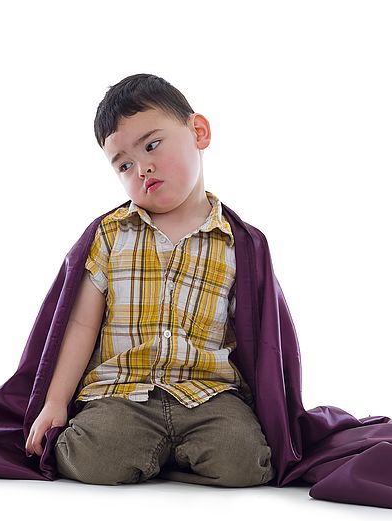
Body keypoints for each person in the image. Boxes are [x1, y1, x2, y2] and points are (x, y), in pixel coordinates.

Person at [23, 73, 275, 488]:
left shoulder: (237, 242)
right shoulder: (112, 233)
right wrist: (55, 401)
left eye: (152, 145)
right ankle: (150, 452)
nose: (143, 168)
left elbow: (257, 336)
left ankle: (166, 458)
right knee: (94, 460)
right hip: (123, 391)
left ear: (199, 131)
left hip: (207, 393)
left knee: (245, 464)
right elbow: (81, 325)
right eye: (124, 164)